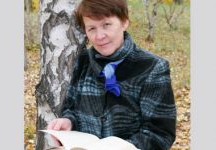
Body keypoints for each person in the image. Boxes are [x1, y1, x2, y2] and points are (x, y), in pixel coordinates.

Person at [47, 0, 176, 149]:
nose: (99, 36)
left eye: (106, 25)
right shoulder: (84, 60)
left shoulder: (151, 67)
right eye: (91, 28)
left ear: (124, 22)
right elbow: (70, 107)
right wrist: (69, 121)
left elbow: (160, 133)